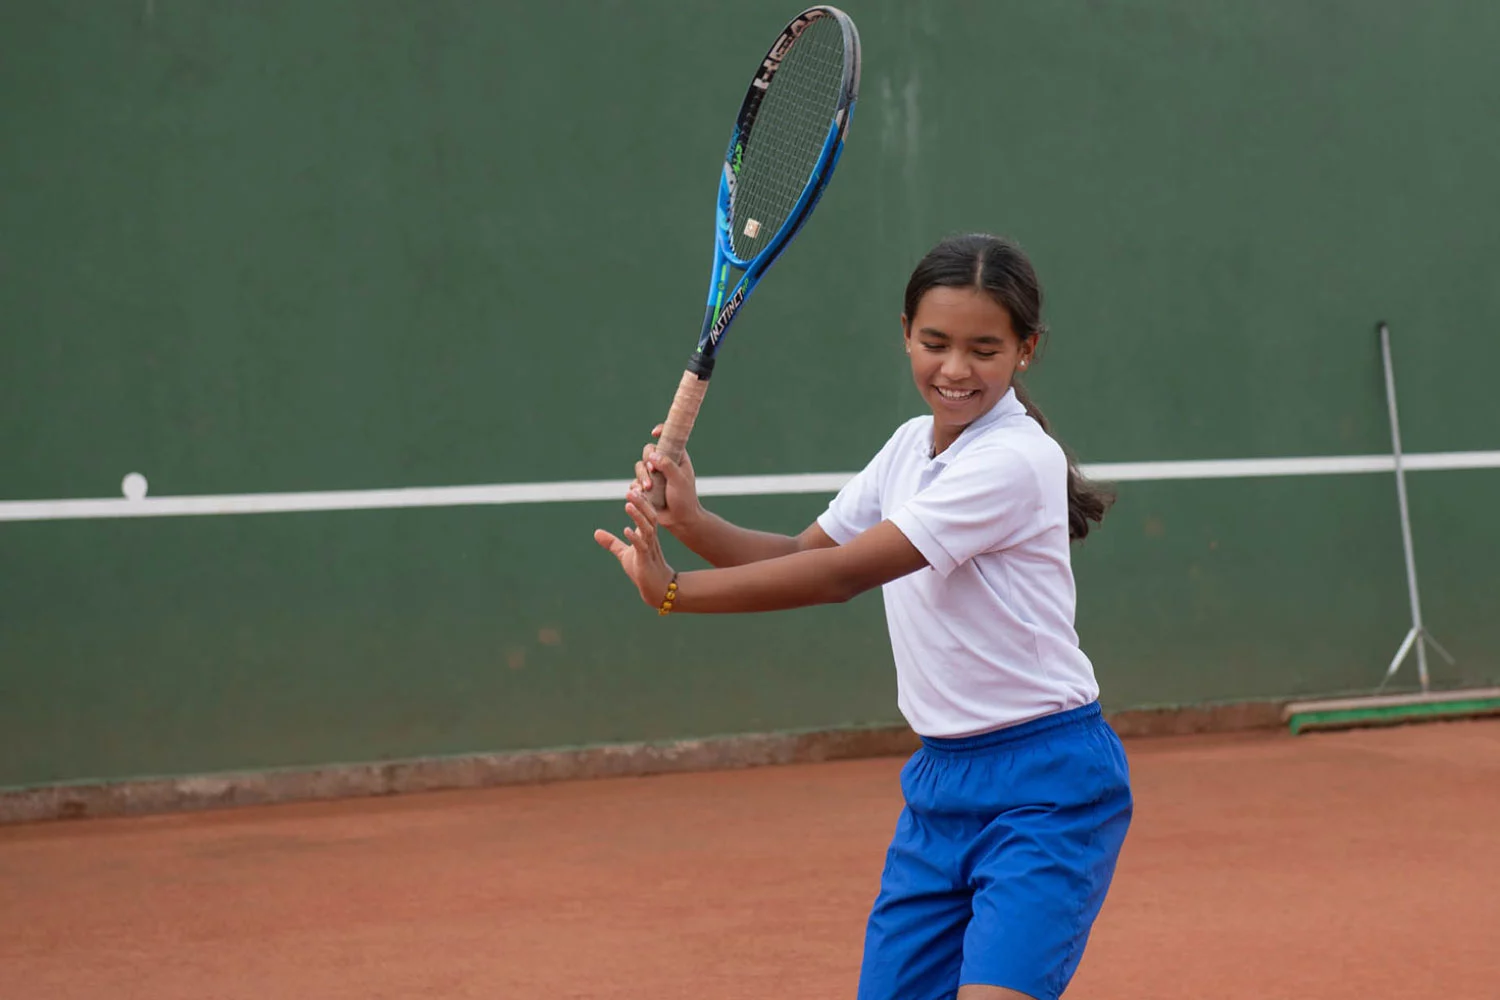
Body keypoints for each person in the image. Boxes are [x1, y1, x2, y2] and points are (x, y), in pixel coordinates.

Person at [593, 233, 1132, 1000]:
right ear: (905, 335)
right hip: (940, 784)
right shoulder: (911, 446)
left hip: (1047, 785)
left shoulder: (1015, 459)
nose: (954, 368)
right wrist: (695, 524)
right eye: (935, 342)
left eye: (984, 348)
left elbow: (839, 576)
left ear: (1026, 351)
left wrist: (674, 591)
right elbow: (800, 550)